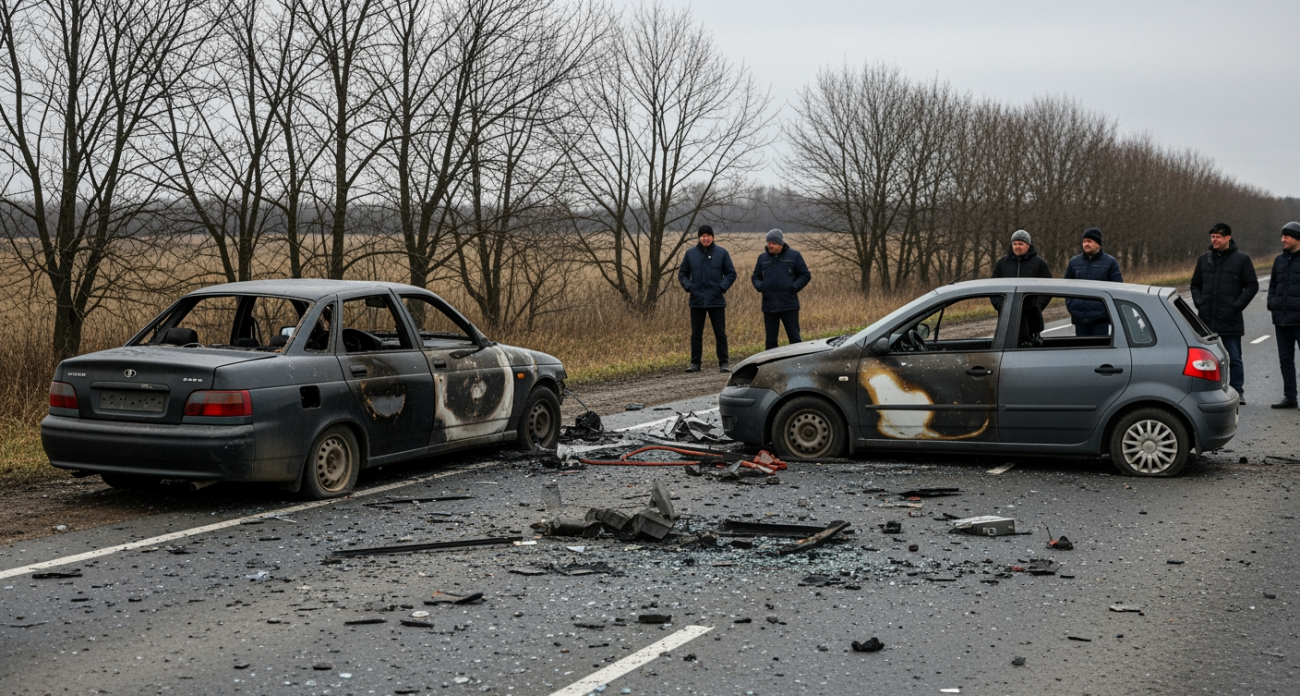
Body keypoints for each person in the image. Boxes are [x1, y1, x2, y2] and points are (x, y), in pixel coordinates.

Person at [1190, 223, 1258, 404]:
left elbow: (1252, 285)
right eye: (1212, 236)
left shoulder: (1242, 259)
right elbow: (1195, 284)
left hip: (1230, 318)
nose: (1214, 240)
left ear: (1228, 237)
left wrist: (1236, 306)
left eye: (1218, 236)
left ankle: (1238, 390)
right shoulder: (1204, 259)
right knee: (1206, 358)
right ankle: (1208, 391)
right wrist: (1200, 302)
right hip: (1206, 318)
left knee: (1233, 357)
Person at [677, 224, 736, 372]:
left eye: (708, 236)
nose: (705, 238)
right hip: (696, 300)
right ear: (699, 238)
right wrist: (690, 287)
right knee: (696, 334)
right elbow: (682, 274)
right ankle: (695, 363)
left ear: (712, 237)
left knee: (720, 333)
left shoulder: (722, 253)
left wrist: (721, 288)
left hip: (716, 300)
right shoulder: (690, 254)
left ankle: (724, 363)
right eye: (703, 236)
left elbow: (731, 273)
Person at [751, 229, 811, 350]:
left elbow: (805, 275)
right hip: (769, 305)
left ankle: (797, 360)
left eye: (773, 243)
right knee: (771, 340)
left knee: (794, 338)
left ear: (780, 243)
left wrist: (793, 287)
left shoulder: (794, 256)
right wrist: (761, 287)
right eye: (768, 243)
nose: (770, 245)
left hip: (789, 304)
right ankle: (771, 361)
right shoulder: (762, 258)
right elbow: (755, 277)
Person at [1063, 227, 1123, 336]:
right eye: (1084, 241)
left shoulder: (1110, 262)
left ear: (1098, 244)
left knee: (1099, 347)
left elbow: (1118, 289)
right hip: (1080, 318)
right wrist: (1072, 307)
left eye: (1089, 241)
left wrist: (1107, 310)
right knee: (1082, 347)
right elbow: (1066, 288)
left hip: (1101, 319)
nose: (1086, 244)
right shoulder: (1074, 263)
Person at [1267, 221, 1300, 408]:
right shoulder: (1279, 260)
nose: (1283, 239)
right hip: (1282, 319)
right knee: (1285, 360)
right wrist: (1272, 302)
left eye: (1286, 236)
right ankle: (1290, 397)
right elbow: (1273, 284)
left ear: (1297, 238)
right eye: (1282, 236)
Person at [991, 229, 1051, 311]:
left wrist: (1037, 307)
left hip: (1032, 314)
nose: (1017, 247)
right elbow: (993, 286)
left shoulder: (1040, 263)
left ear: (1028, 245)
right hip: (1007, 313)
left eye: (1020, 244)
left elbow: (1048, 288)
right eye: (1014, 244)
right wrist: (999, 305)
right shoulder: (1002, 263)